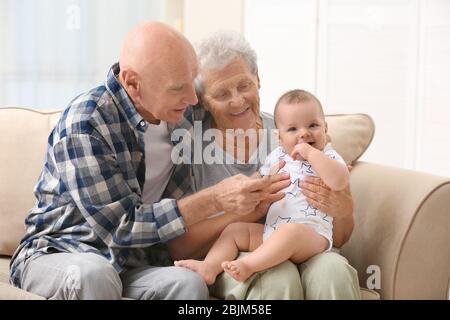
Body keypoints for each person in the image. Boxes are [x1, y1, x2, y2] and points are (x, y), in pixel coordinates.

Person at [8, 22, 274, 300]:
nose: (193, 98)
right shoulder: (87, 123)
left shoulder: (184, 109)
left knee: (189, 283)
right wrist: (216, 199)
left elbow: (236, 106)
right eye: (178, 88)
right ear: (133, 84)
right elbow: (121, 228)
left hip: (135, 262)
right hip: (64, 251)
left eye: (193, 82)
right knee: (95, 274)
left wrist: (288, 150)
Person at [164, 31, 361, 299]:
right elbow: (179, 247)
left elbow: (338, 237)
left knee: (333, 270)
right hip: (239, 254)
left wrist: (344, 210)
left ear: (258, 79)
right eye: (221, 93)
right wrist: (243, 211)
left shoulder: (296, 131)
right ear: (204, 101)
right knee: (276, 279)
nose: (237, 100)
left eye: (244, 85)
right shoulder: (189, 150)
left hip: (309, 242)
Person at [175, 88, 350, 284]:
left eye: (313, 125)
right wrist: (250, 187)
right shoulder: (277, 156)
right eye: (293, 129)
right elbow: (259, 179)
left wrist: (311, 154)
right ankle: (209, 267)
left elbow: (339, 180)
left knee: (290, 232)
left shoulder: (328, 156)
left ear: (325, 128)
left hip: (311, 236)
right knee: (234, 230)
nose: (304, 134)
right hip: (272, 233)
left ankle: (249, 265)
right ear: (278, 137)